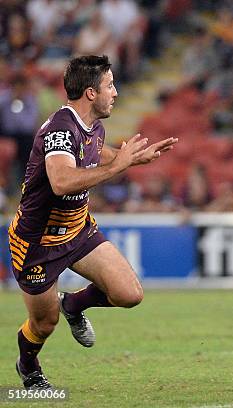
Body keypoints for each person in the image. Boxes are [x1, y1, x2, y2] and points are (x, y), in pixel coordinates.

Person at [8, 55, 178, 389]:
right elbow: (61, 181)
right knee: (44, 324)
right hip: (38, 243)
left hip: (78, 230)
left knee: (129, 293)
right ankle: (28, 366)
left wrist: (133, 159)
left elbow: (98, 153)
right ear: (90, 93)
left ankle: (72, 304)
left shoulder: (92, 126)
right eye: (109, 86)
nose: (115, 92)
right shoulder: (59, 129)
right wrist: (118, 168)